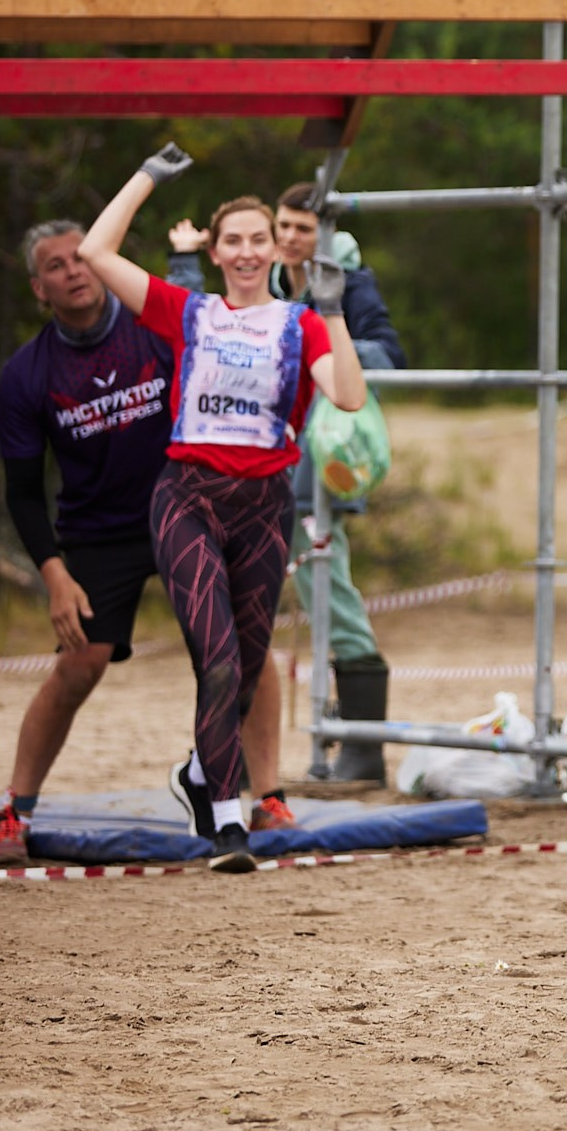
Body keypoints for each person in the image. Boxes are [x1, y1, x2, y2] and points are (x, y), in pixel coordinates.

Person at [76, 144, 366, 874]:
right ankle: (227, 819)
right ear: (213, 250)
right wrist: (146, 175)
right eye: (231, 240)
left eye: (257, 240)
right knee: (218, 655)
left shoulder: (299, 324)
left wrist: (331, 310)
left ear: (275, 248)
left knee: (242, 664)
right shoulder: (189, 311)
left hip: (264, 505)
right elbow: (94, 249)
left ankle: (200, 774)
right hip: (188, 497)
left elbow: (351, 395)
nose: (244, 251)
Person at [0, 219, 296, 862]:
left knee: (245, 643)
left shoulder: (155, 329)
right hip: (102, 533)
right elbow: (22, 491)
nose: (73, 270)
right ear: (38, 286)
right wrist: (55, 576)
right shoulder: (26, 373)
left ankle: (266, 795)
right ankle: (16, 809)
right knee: (82, 662)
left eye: (81, 256)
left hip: (191, 506)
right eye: (55, 264)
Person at [170, 180, 405, 782]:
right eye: (287, 227)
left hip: (318, 470)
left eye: (306, 228)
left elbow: (387, 355)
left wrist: (323, 337)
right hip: (256, 470)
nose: (294, 239)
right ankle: (240, 759)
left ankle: (360, 743)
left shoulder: (349, 282)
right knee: (246, 617)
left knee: (332, 591)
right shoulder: (266, 285)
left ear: (326, 235)